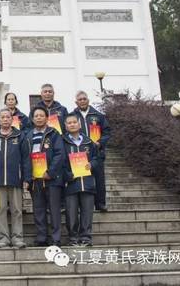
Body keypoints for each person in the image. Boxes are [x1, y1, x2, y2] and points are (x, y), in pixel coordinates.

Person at [0, 108, 31, 249]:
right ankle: (3, 238)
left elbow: (26, 158)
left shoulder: (20, 136)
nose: (5, 119)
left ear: (12, 119)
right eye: (2, 117)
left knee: (17, 210)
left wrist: (26, 178)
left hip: (16, 180)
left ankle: (17, 238)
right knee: (0, 210)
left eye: (8, 117)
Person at [27, 106, 64, 247]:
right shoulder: (28, 135)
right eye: (36, 116)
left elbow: (60, 154)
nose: (38, 118)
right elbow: (25, 157)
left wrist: (51, 172)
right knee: (38, 209)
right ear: (32, 118)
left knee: (54, 209)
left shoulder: (54, 133)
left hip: (51, 178)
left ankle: (56, 238)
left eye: (41, 115)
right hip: (35, 179)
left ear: (47, 118)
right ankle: (41, 237)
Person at [62, 113, 99, 246]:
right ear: (65, 126)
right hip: (71, 183)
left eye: (74, 122)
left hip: (88, 182)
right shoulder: (63, 142)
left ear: (79, 124)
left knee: (87, 212)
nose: (72, 124)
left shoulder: (89, 142)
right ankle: (73, 237)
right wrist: (67, 174)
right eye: (69, 123)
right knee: (71, 212)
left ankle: (86, 237)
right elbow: (60, 161)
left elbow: (97, 158)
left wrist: (92, 164)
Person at [72, 91, 111, 212]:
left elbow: (107, 132)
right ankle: (81, 205)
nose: (82, 101)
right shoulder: (72, 116)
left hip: (97, 152)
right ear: (76, 102)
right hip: (80, 154)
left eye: (84, 99)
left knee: (99, 179)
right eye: (80, 99)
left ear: (88, 100)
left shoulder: (98, 115)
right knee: (80, 179)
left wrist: (100, 143)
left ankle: (100, 203)